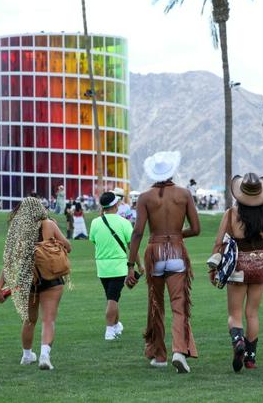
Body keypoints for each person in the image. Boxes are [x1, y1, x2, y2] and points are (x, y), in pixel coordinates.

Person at [127, 151, 200, 373]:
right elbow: (196, 229)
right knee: (179, 305)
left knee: (156, 305)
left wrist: (130, 266)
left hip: (154, 254)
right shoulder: (184, 194)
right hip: (176, 252)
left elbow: (138, 232)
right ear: (172, 171)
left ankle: (159, 355)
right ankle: (179, 351)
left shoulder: (145, 197)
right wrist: (176, 235)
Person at [211, 173, 263, 372]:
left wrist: (214, 268)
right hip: (260, 266)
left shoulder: (231, 214)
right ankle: (250, 358)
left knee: (235, 313)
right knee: (253, 313)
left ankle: (238, 341)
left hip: (238, 266)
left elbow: (218, 243)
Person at [0, 197, 71, 370]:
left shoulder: (19, 231)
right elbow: (68, 247)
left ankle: (27, 355)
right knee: (48, 319)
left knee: (29, 320)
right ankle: (44, 355)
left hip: (29, 280)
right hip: (52, 277)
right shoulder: (49, 224)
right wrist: (55, 244)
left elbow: (9, 262)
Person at [90, 192, 141, 340]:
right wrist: (139, 265)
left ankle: (116, 324)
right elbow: (132, 247)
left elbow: (94, 240)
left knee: (112, 297)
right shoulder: (124, 222)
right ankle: (109, 330)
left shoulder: (95, 222)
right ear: (115, 205)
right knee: (113, 299)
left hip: (102, 267)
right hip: (118, 266)